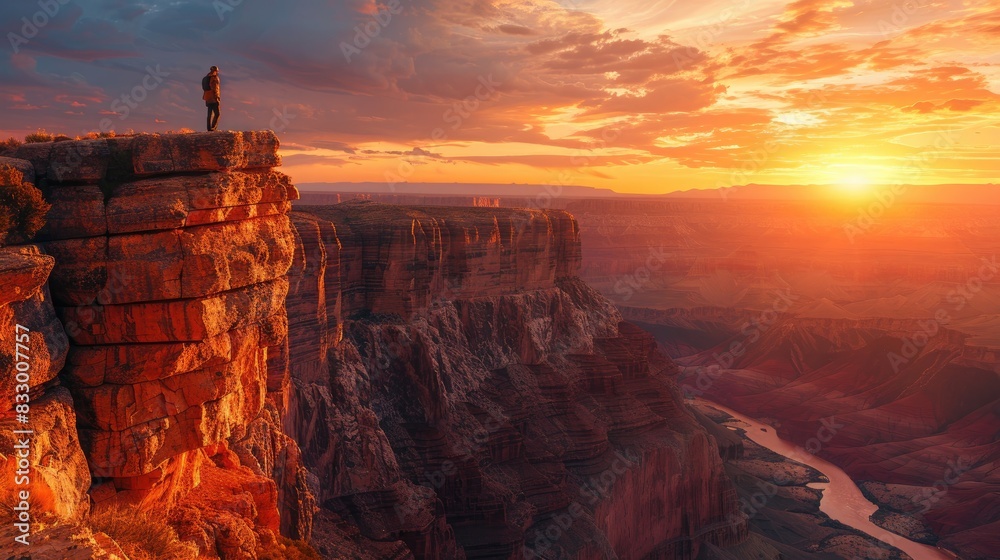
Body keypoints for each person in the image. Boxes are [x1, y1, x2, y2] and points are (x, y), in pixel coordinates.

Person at [202, 66, 221, 131]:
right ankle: (213, 127)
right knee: (217, 113)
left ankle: (209, 128)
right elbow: (215, 89)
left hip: (207, 97)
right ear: (215, 71)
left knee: (209, 114)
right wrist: (217, 98)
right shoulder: (214, 78)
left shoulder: (206, 78)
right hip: (213, 97)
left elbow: (204, 88)